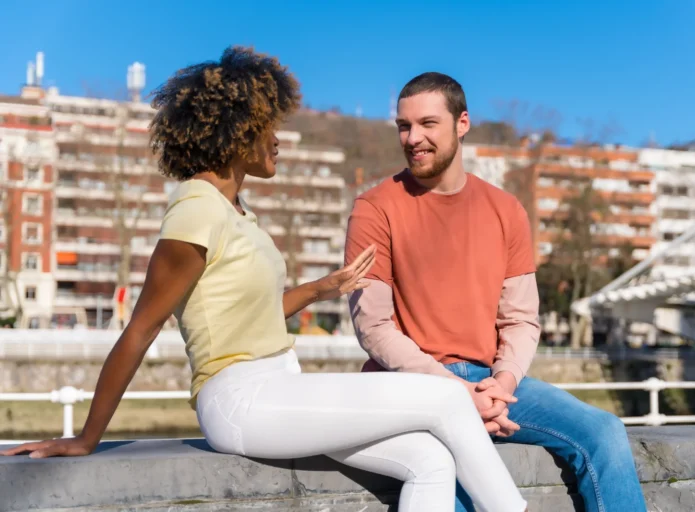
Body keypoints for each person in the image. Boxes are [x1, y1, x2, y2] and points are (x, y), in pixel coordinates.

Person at [0, 48, 528, 512]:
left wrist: (321, 289)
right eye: (267, 128)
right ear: (237, 133)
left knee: (431, 460)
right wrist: (87, 438)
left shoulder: (237, 213)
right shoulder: (195, 210)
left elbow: (247, 316)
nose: (277, 141)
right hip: (240, 399)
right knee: (444, 399)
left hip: (280, 388)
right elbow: (141, 329)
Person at [344, 71, 647, 512]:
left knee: (605, 432)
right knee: (448, 473)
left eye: (428, 124)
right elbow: (373, 326)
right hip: (411, 385)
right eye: (404, 126)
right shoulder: (374, 209)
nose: (413, 138)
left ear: (462, 123)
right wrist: (455, 393)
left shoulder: (506, 210)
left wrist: (502, 384)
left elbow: (520, 318)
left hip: (491, 382)